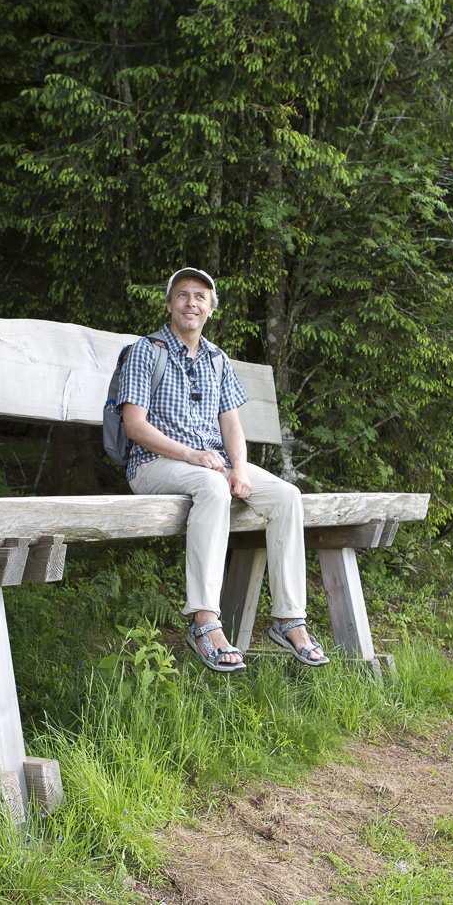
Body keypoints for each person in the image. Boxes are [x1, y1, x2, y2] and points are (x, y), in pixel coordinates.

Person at [117, 267, 328, 673]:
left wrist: (242, 469)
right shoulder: (147, 351)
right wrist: (192, 456)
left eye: (199, 296)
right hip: (154, 465)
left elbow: (231, 425)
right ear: (169, 304)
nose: (190, 302)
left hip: (213, 465)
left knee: (287, 496)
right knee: (213, 486)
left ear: (211, 309)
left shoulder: (217, 359)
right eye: (182, 295)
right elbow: (135, 425)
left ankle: (288, 619)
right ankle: (204, 620)